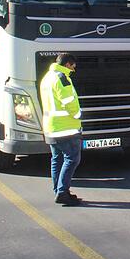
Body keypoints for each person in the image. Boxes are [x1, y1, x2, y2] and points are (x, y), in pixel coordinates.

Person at [40, 53, 84, 206]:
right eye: (73, 65)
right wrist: (78, 115)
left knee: (57, 159)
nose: (74, 68)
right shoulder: (62, 78)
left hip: (51, 127)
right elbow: (69, 102)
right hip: (66, 128)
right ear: (67, 64)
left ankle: (58, 190)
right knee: (72, 158)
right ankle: (63, 192)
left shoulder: (47, 77)